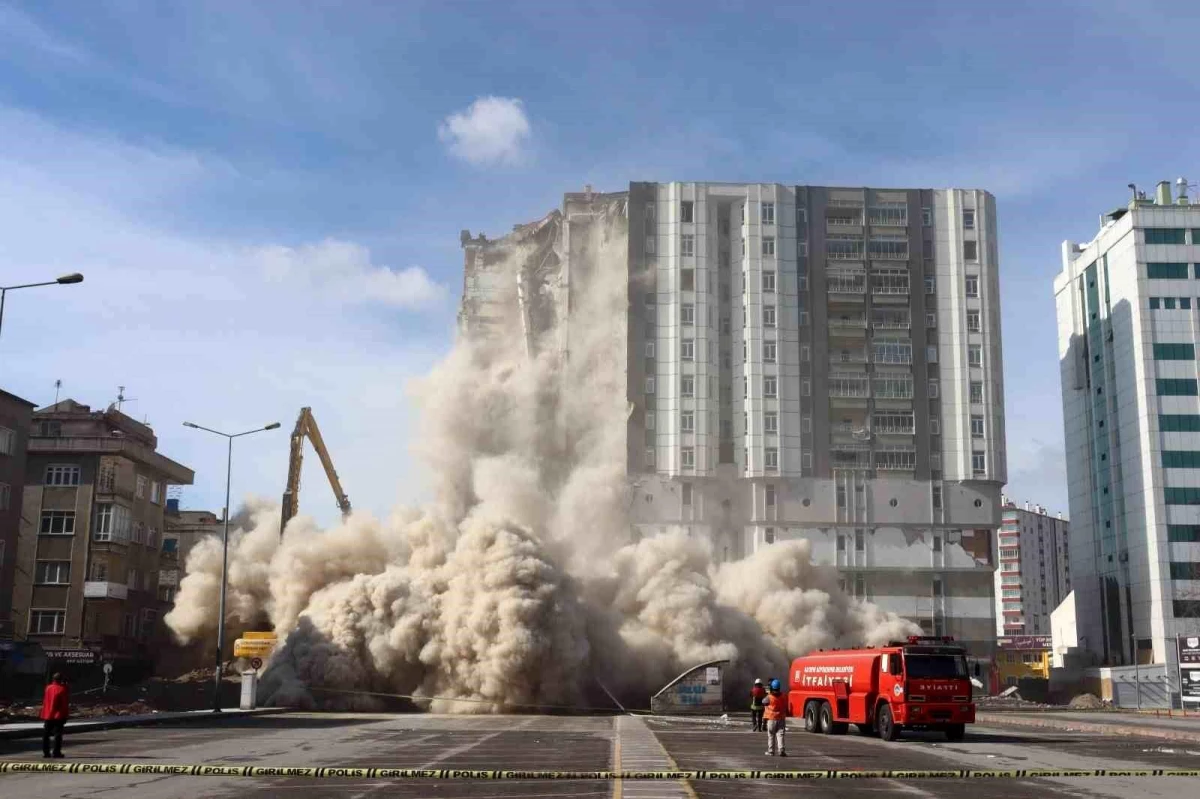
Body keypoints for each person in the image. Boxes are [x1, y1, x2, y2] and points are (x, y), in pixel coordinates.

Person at [40, 673, 70, 759]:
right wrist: (65, 715)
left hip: (48, 714)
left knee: (46, 734)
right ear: (61, 680)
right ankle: (56, 752)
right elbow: (64, 704)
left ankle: (46, 752)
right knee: (58, 734)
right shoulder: (62, 689)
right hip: (58, 715)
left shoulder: (48, 688)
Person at [762, 677, 787, 757]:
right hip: (781, 718)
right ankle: (781, 749)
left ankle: (771, 751)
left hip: (771, 719)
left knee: (771, 735)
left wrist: (768, 693)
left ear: (772, 687)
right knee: (780, 735)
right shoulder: (783, 695)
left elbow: (763, 702)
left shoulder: (769, 697)